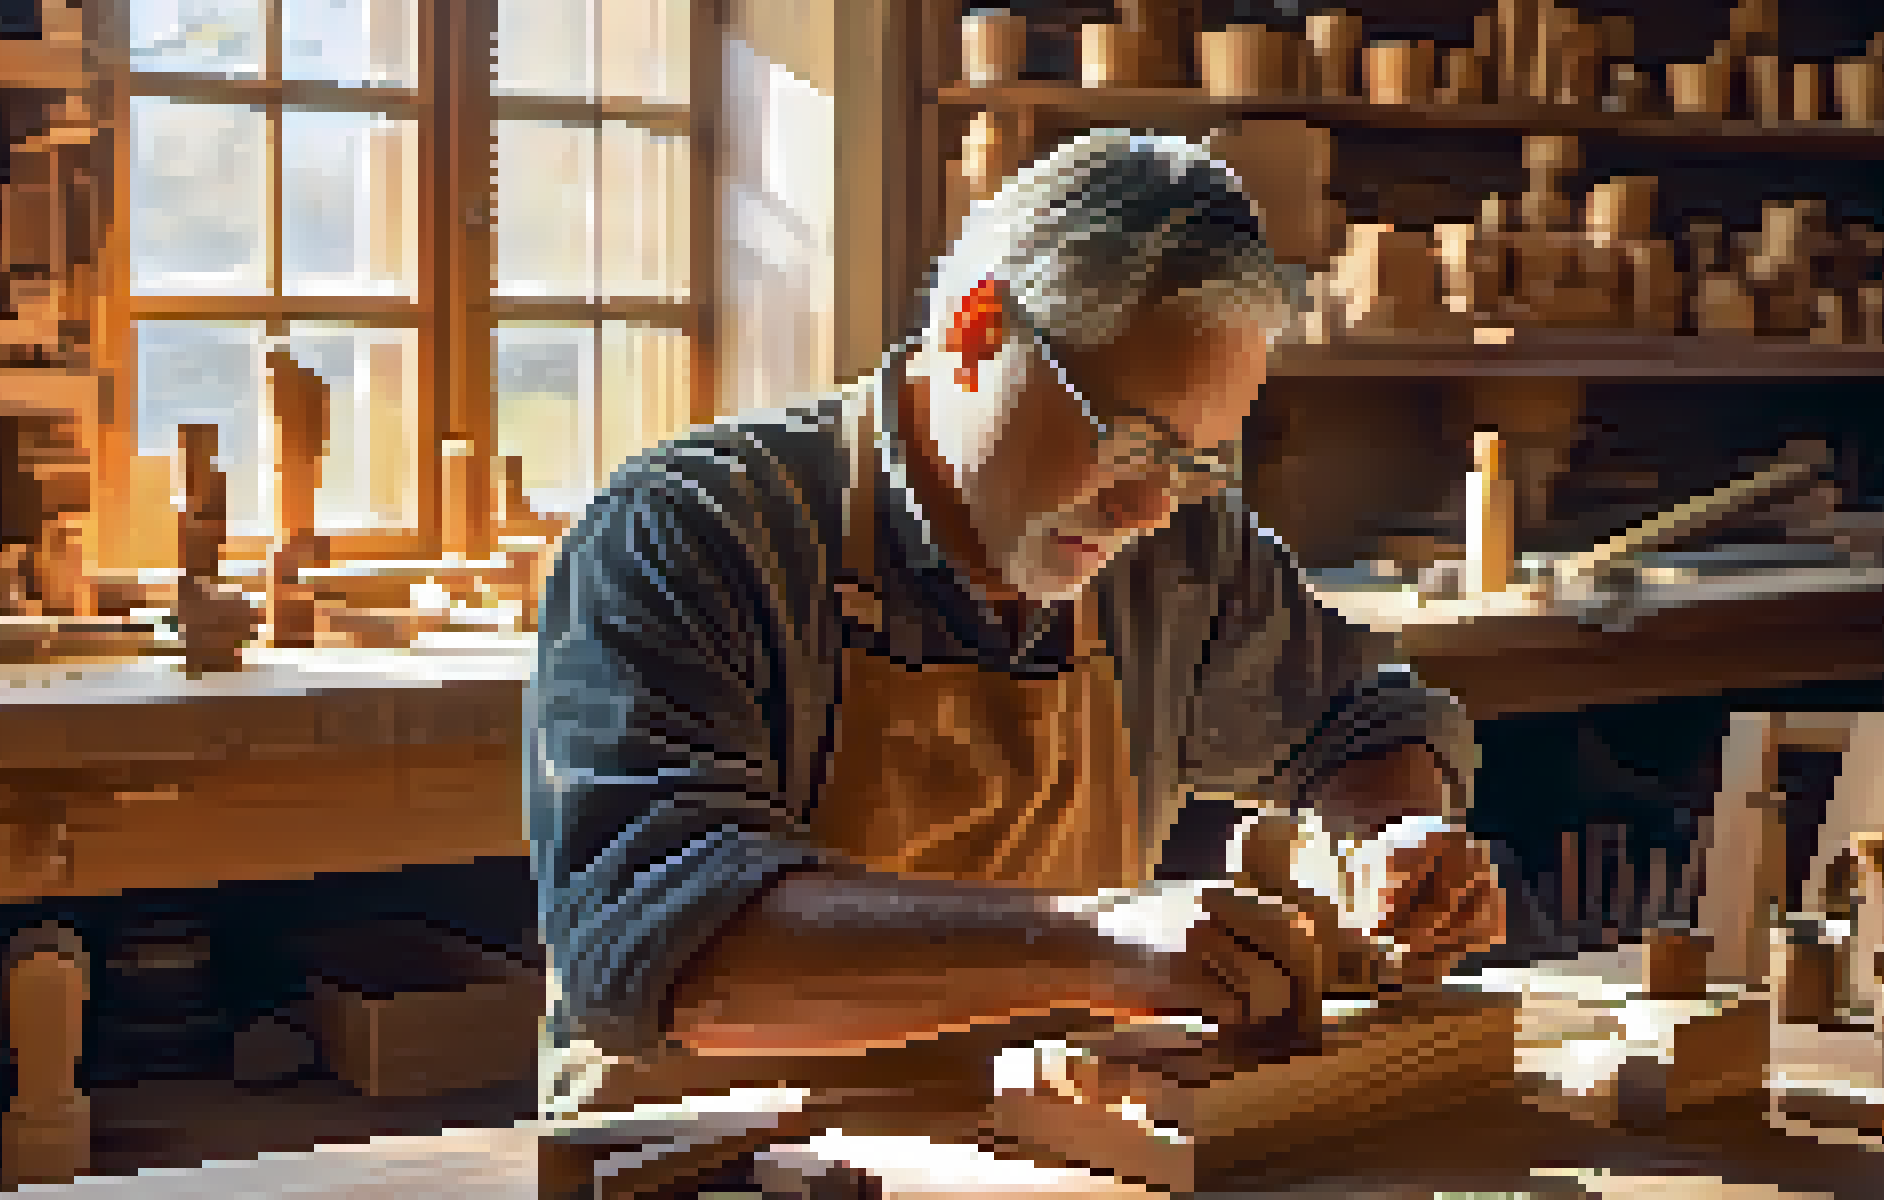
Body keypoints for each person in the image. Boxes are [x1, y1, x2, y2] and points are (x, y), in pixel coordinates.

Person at [526, 130, 1507, 1135]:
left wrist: (1396, 835)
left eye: (1196, 464)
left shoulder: (1176, 552)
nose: (1146, 510)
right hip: (711, 1152)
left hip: (1037, 1139)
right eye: (1131, 442)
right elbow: (663, 948)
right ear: (978, 329)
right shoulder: (693, 534)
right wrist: (1090, 943)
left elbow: (1362, 721)